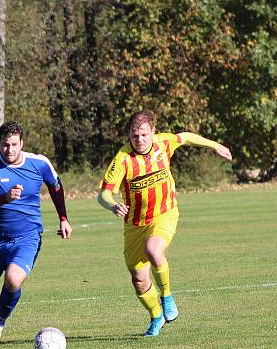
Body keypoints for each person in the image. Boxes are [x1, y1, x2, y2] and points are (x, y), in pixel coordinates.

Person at [97, 111, 232, 336]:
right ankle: (156, 316)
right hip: (135, 225)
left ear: (153, 132)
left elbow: (186, 137)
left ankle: (167, 296)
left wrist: (214, 145)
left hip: (165, 213)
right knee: (139, 280)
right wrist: (112, 205)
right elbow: (103, 193)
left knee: (154, 250)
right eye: (134, 136)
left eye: (143, 134)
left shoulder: (163, 143)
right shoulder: (122, 159)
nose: (139, 140)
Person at [0, 121, 72, 348]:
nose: (9, 150)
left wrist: (63, 218)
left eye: (13, 145)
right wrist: (5, 198)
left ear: (22, 143)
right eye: (4, 145)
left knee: (13, 279)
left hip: (27, 237)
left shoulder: (39, 164)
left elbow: (56, 186)